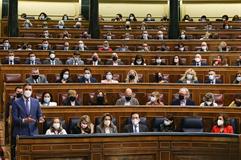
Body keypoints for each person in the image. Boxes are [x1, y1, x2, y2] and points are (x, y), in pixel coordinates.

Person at [12, 84, 45, 159]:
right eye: (26, 89)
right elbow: (15, 119)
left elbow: (39, 114)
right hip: (20, 132)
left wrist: (40, 118)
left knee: (33, 155)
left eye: (30, 89)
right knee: (22, 156)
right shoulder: (16, 102)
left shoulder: (36, 102)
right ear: (23, 91)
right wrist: (24, 120)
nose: (28, 91)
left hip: (33, 132)